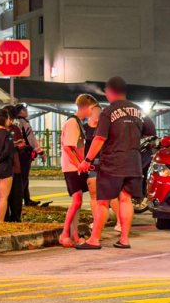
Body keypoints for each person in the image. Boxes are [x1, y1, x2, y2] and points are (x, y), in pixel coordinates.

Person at [77, 77, 155, 250]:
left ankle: (94, 240)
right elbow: (150, 132)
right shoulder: (138, 110)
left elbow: (99, 138)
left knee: (103, 201)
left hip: (113, 160)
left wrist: (87, 160)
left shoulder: (108, 111)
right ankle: (124, 239)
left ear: (110, 91)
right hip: (133, 161)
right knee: (126, 199)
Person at [59, 94, 96, 247]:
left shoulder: (78, 123)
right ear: (85, 107)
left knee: (78, 202)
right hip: (72, 168)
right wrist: (80, 164)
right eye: (92, 109)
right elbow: (68, 147)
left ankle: (73, 234)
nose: (93, 112)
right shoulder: (72, 123)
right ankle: (65, 234)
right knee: (77, 202)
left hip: (76, 166)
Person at [82, 103, 122, 231]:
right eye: (95, 113)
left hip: (106, 162)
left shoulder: (106, 128)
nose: (98, 115)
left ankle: (120, 222)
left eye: (100, 113)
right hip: (92, 163)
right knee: (94, 194)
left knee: (111, 194)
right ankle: (97, 221)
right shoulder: (84, 129)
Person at [14, 103, 45, 206]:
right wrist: (38, 150)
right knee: (24, 176)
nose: (27, 112)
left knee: (23, 176)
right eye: (25, 110)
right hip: (25, 152)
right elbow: (31, 138)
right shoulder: (24, 123)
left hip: (18, 151)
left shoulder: (16, 122)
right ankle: (20, 200)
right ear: (22, 112)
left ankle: (26, 199)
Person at [4, 105, 27, 222]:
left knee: (17, 194)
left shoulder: (15, 129)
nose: (12, 121)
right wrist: (13, 145)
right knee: (3, 196)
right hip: (3, 168)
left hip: (15, 167)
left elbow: (20, 147)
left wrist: (21, 146)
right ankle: (3, 217)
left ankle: (16, 217)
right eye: (10, 118)